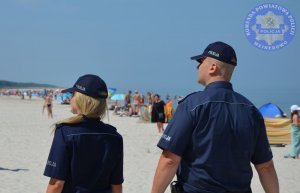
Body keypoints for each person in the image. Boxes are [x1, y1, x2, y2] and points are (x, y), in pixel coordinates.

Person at [151, 41, 279, 193]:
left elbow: (170, 160)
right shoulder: (251, 110)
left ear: (213, 67)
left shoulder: (192, 104)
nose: (198, 66)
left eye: (201, 61)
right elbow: (265, 166)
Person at [44, 74, 123, 193]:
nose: (70, 99)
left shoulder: (65, 133)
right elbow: (116, 185)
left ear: (82, 99)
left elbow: (56, 184)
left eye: (73, 95)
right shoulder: (115, 137)